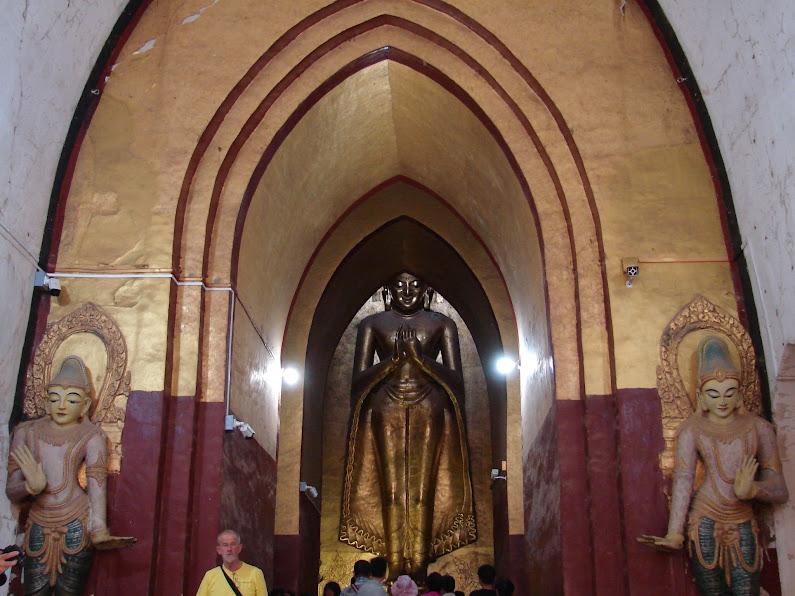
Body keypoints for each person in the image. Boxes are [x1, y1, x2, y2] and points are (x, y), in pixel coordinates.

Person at [340, 272, 476, 580]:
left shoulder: (442, 323)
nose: (407, 291)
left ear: (427, 289)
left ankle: (419, 567)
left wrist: (420, 358)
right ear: (387, 289)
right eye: (399, 285)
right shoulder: (372, 325)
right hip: (384, 405)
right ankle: (394, 565)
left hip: (430, 404)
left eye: (415, 285)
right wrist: (392, 361)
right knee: (389, 488)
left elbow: (458, 382)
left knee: (423, 490)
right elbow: (356, 383)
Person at [640, 336, 789, 596]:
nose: (722, 400)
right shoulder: (693, 430)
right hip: (704, 519)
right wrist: (675, 534)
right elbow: (684, 479)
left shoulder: (758, 429)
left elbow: (780, 490)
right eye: (713, 394)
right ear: (701, 397)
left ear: (740, 394)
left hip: (743, 519)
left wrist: (753, 491)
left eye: (730, 393)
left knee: (747, 590)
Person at [6, 356, 135, 595]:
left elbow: (97, 482)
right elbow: (11, 491)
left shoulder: (91, 435)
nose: (62, 405)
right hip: (39, 520)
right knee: (33, 590)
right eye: (55, 399)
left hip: (76, 518)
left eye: (72, 399)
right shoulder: (26, 433)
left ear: (85, 405)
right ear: (46, 401)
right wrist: (31, 487)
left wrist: (99, 530)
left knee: (69, 591)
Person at [196, 529, 267, 595]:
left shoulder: (255, 573)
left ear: (239, 548)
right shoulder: (210, 576)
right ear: (219, 550)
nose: (229, 549)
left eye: (232, 544)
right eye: (225, 545)